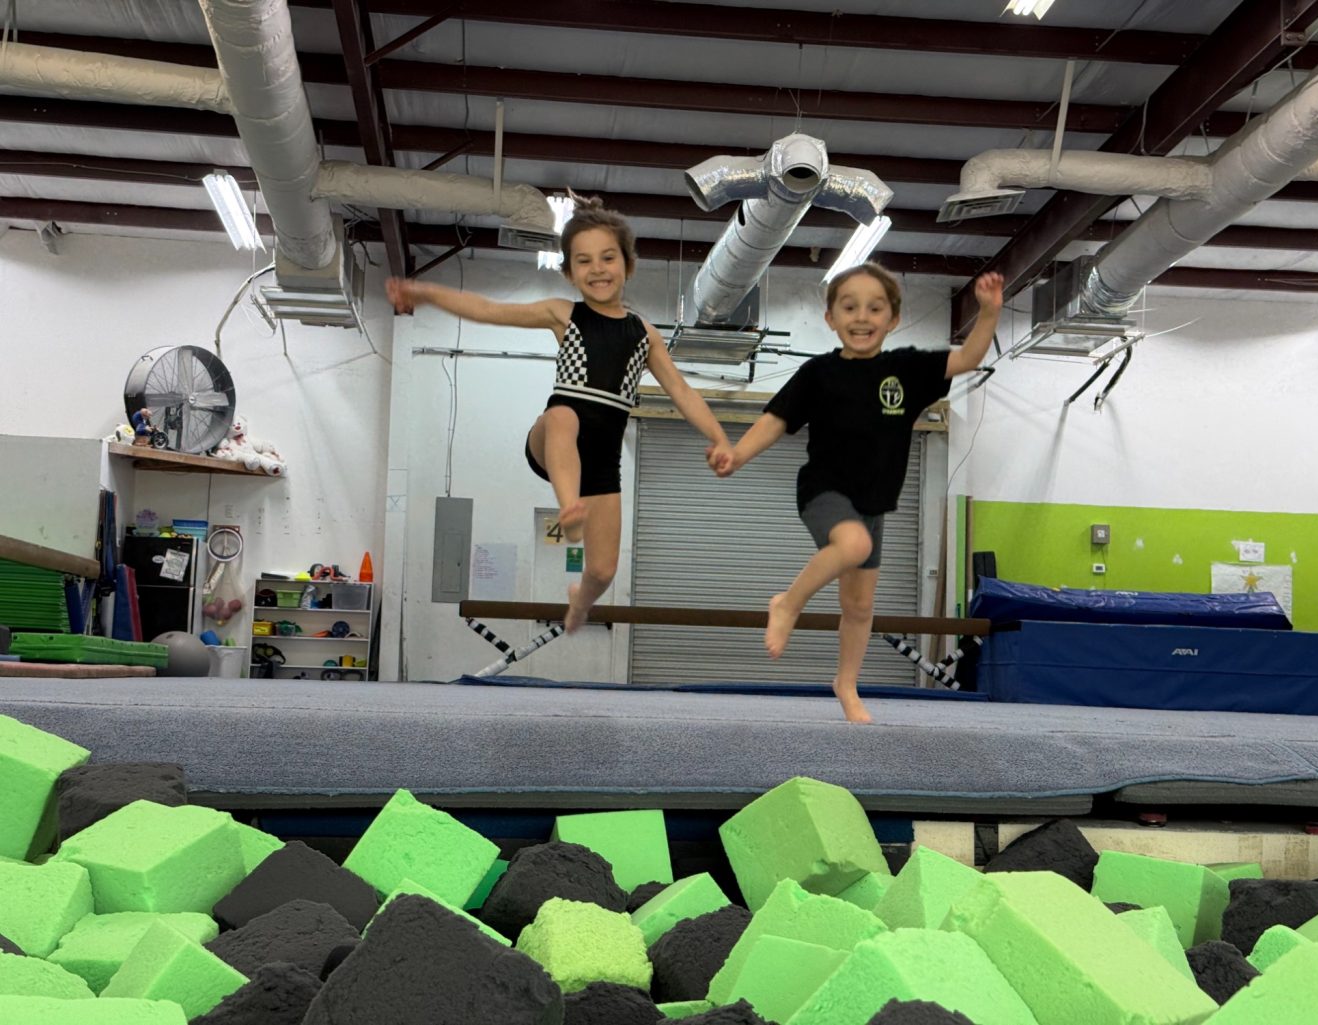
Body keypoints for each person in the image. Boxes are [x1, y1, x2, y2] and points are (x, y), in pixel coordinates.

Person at [387, 194, 733, 633]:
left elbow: (681, 390)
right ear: (569, 272)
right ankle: (569, 509)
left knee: (603, 570)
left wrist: (719, 437)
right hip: (552, 443)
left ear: (628, 264)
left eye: (607, 258)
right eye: (584, 261)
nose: (597, 269)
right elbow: (492, 311)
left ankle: (580, 601)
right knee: (563, 415)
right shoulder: (564, 315)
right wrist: (426, 292)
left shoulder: (645, 335)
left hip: (601, 460)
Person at [712, 263, 1004, 723]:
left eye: (874, 308)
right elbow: (776, 419)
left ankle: (846, 685)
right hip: (823, 490)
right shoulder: (818, 373)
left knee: (859, 605)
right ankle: (787, 603)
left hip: (873, 502)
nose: (862, 317)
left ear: (893, 318)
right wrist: (738, 454)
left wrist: (988, 312)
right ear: (830, 318)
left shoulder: (906, 369)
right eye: (849, 308)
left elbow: (967, 357)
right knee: (853, 545)